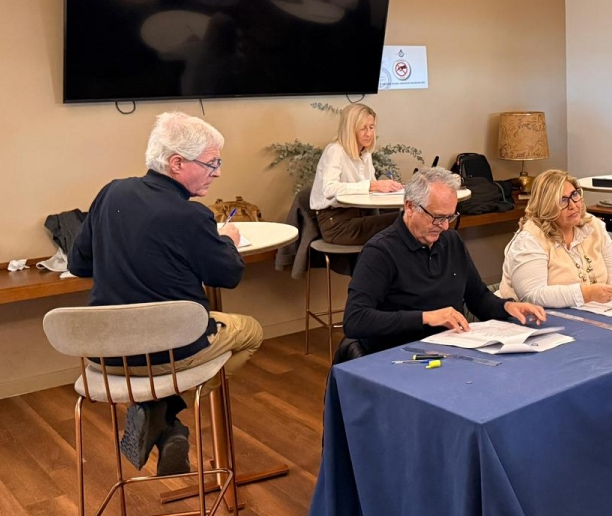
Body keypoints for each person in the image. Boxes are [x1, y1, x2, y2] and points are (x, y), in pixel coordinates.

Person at [69, 112, 265, 476]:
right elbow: (229, 275)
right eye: (212, 162)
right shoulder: (191, 217)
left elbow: (80, 265)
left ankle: (156, 416)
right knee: (251, 331)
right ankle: (165, 410)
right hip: (169, 353)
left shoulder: (111, 191)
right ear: (177, 163)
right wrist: (228, 241)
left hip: (105, 353)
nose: (218, 171)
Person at [342, 168, 545, 353]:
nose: (445, 226)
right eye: (438, 217)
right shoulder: (380, 251)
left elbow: (478, 298)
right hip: (400, 354)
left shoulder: (451, 241)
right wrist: (427, 318)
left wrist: (506, 307)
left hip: (451, 348)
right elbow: (355, 320)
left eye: (449, 217)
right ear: (410, 207)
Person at [499, 170, 612, 308]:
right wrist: (586, 294)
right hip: (533, 320)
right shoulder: (529, 239)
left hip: (591, 313)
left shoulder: (592, 225)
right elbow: (532, 295)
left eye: (574, 195)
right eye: (563, 200)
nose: (573, 205)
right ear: (547, 207)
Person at [310, 103, 402, 246]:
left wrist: (391, 189)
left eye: (371, 127)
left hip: (362, 214)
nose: (369, 133)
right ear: (350, 129)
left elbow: (371, 190)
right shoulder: (335, 151)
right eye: (363, 128)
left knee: (408, 218)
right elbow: (329, 189)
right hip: (337, 224)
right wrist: (371, 185)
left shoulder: (365, 153)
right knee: (404, 221)